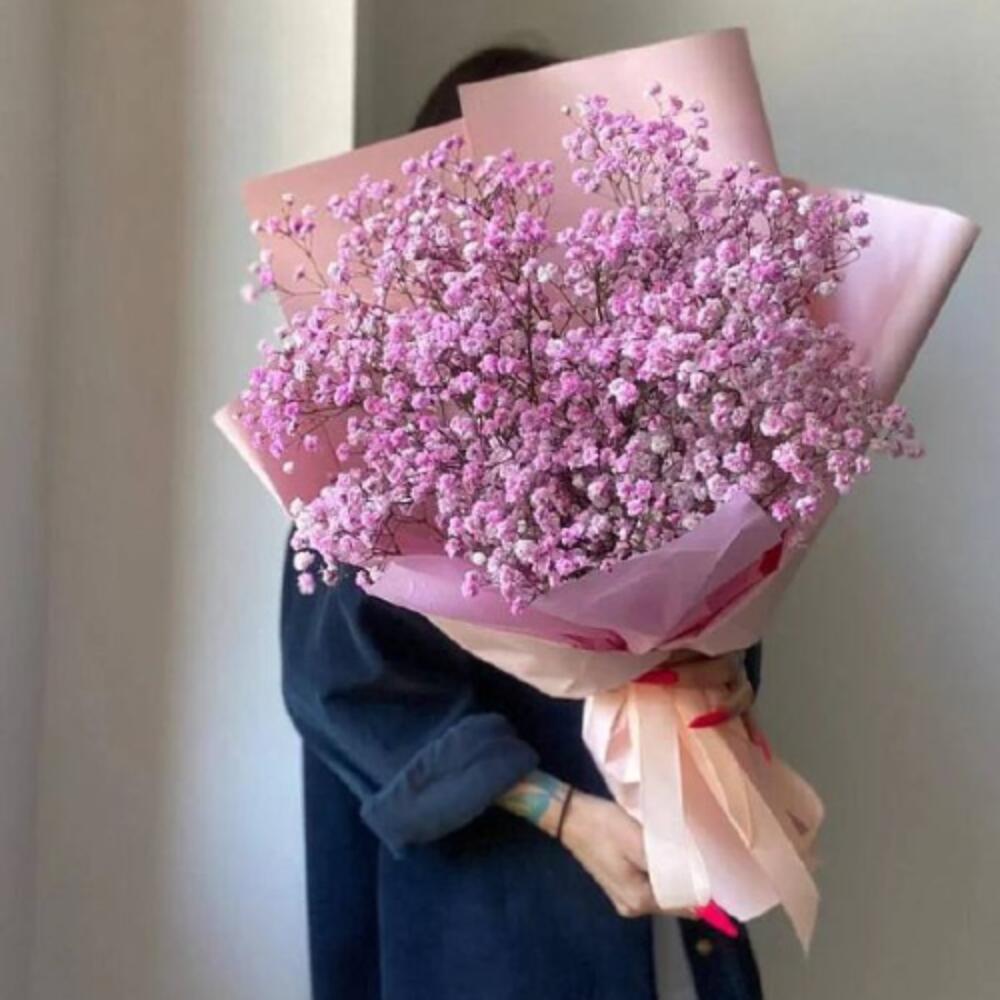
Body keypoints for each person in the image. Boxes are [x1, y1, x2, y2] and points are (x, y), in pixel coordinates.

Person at [280, 46, 765, 1000]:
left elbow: (719, 620)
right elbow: (340, 681)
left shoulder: (654, 400)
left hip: (684, 905)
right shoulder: (371, 427)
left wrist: (718, 687)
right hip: (495, 922)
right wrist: (565, 815)